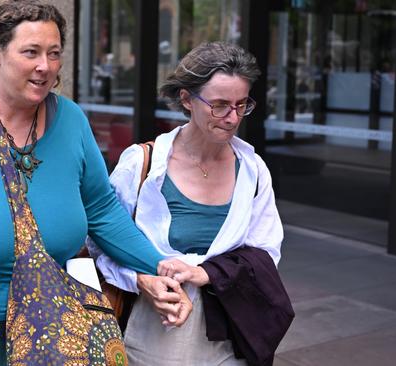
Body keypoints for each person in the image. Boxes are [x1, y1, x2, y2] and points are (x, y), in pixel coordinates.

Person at [0, 2, 190, 365]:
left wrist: (157, 265)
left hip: (52, 331)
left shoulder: (72, 121)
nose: (44, 66)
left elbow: (101, 209)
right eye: (30, 52)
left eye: (54, 53)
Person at [91, 42, 286, 365]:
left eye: (241, 104)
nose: (232, 117)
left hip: (229, 339)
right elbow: (100, 244)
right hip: (149, 340)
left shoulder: (252, 169)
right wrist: (142, 280)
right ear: (186, 99)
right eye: (220, 105)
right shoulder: (143, 164)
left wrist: (204, 273)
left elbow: (266, 253)